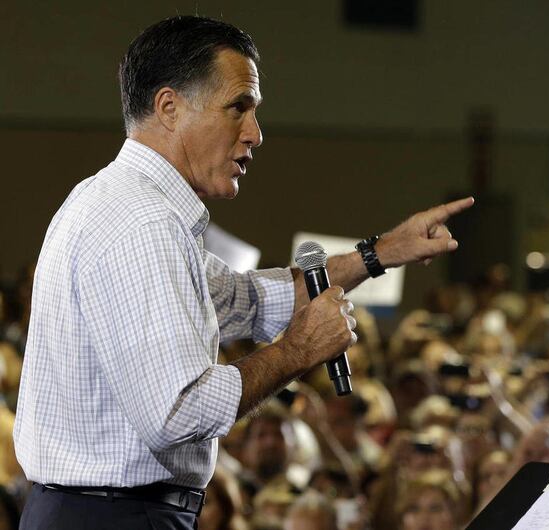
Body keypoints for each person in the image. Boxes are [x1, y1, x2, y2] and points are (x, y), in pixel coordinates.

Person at [13, 15, 473, 530]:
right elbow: (178, 412)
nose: (255, 133)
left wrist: (381, 253)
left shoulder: (117, 202)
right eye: (239, 107)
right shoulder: (140, 223)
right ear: (169, 107)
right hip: (113, 517)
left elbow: (248, 299)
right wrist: (298, 351)